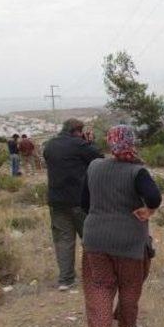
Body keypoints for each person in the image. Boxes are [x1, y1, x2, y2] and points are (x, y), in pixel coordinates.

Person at [82, 125, 162, 327]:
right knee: (130, 283)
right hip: (129, 239)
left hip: (95, 238)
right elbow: (154, 197)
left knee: (101, 284)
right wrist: (150, 211)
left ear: (110, 143)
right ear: (132, 142)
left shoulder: (94, 167)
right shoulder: (137, 171)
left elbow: (84, 203)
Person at [43, 119, 103, 291]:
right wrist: (89, 142)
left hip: (56, 200)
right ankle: (96, 276)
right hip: (80, 200)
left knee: (63, 240)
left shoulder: (50, 145)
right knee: (91, 238)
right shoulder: (79, 144)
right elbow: (99, 158)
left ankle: (66, 279)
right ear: (77, 131)